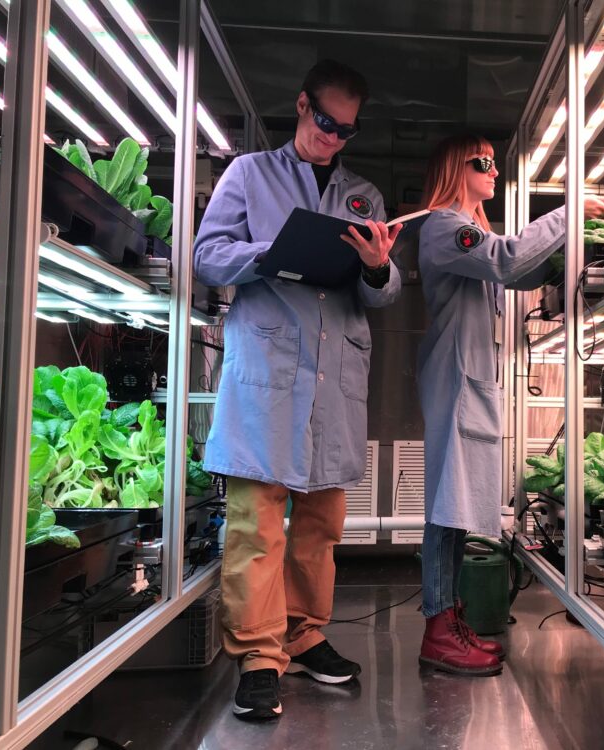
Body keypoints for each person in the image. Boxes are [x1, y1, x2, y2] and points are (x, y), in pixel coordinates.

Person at [193, 59, 401, 720]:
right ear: (302, 104)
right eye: (325, 122)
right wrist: (272, 251)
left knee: (322, 524)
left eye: (346, 131)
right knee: (258, 521)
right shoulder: (248, 174)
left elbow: (388, 292)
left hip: (334, 380)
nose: (333, 138)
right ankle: (258, 655)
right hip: (270, 374)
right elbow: (207, 254)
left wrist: (377, 267)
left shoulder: (364, 195)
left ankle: (304, 634)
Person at [415, 134, 604, 676]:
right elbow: (506, 262)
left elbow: (518, 265)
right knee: (444, 509)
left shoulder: (473, 231)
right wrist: (568, 211)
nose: (495, 173)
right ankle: (438, 628)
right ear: (455, 167)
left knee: (455, 511)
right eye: (484, 162)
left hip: (467, 377)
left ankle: (448, 617)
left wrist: (571, 249)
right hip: (454, 377)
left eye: (495, 163)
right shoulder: (442, 226)